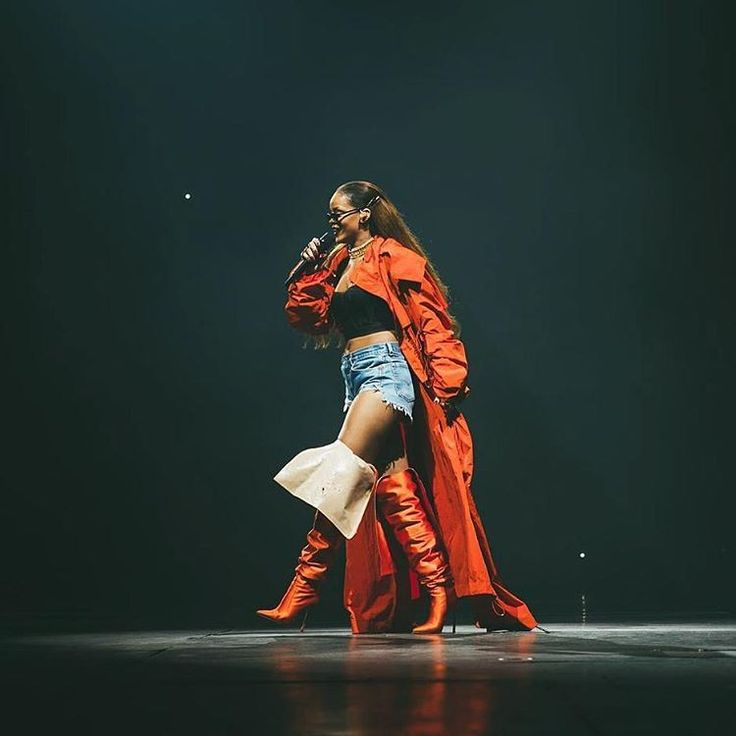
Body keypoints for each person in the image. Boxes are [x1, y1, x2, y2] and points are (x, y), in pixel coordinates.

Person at [257, 180, 540, 635]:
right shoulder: (335, 263)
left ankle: (303, 588)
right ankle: (438, 591)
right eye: (330, 216)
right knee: (391, 481)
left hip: (387, 372)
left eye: (338, 214)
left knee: (340, 469)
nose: (331, 222)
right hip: (354, 375)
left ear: (364, 214)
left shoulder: (393, 257)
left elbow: (432, 321)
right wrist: (307, 271)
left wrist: (448, 380)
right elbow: (310, 317)